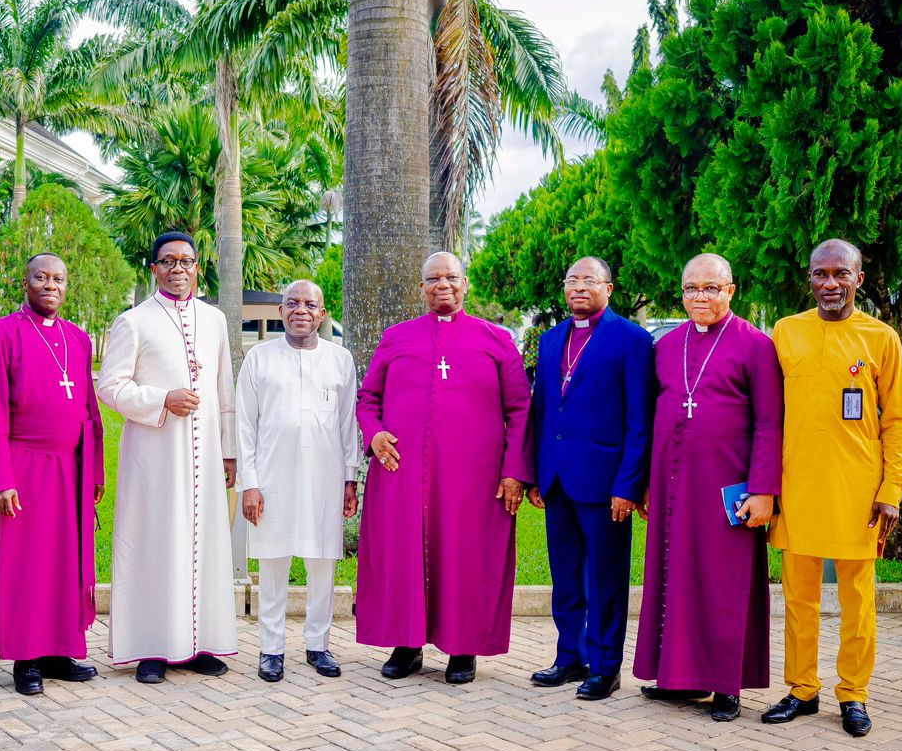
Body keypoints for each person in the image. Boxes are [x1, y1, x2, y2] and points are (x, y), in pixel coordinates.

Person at [357, 252, 531, 685]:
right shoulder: (397, 337)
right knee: (405, 554)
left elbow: (521, 408)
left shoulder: (496, 340)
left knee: (466, 555)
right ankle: (406, 644)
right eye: (433, 279)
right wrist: (374, 435)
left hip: (474, 479)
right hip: (403, 474)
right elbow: (367, 400)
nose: (443, 285)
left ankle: (463, 648)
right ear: (421, 288)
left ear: (465, 284)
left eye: (451, 277)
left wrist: (514, 472)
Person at [763, 239, 902, 737]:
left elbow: (897, 423)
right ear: (809, 279)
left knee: (857, 601)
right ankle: (802, 689)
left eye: (840, 275)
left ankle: (854, 693)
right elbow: (766, 417)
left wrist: (892, 489)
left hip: (858, 493)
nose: (830, 284)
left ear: (858, 280)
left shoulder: (882, 339)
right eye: (820, 274)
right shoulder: (785, 333)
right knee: (799, 599)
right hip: (797, 487)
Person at [632, 254, 782, 722]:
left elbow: (769, 424)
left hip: (727, 489)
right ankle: (680, 677)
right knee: (675, 578)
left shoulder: (756, 346)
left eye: (711, 288)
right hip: (673, 485)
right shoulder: (665, 345)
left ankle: (726, 685)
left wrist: (763, 491)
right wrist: (646, 485)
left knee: (723, 584)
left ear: (731, 291)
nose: (700, 296)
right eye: (692, 288)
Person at [96, 231, 238, 683]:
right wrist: (162, 399)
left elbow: (224, 391)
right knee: (156, 545)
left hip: (206, 454)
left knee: (203, 546)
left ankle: (198, 645)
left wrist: (229, 452)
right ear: (153, 268)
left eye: (186, 261)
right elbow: (110, 386)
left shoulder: (214, 320)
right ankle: (152, 648)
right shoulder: (133, 321)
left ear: (198, 267)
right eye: (169, 261)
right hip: (155, 458)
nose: (178, 269)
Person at [0, 254, 105, 695]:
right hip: (23, 466)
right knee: (26, 565)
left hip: (69, 469)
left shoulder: (77, 338)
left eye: (59, 279)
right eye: (42, 278)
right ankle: (26, 658)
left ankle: (58, 651)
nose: (51, 285)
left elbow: (89, 408)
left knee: (66, 563)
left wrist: (95, 470)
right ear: (24, 283)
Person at [528, 257, 654, 700]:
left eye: (589, 281)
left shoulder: (632, 340)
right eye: (572, 281)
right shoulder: (550, 340)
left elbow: (641, 421)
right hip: (558, 478)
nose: (579, 288)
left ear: (609, 288)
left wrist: (628, 485)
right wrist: (535, 474)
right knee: (564, 574)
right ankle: (569, 656)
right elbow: (542, 410)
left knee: (605, 577)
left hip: (606, 484)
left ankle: (604, 666)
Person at [236, 280, 359, 682]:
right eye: (292, 303)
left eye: (310, 304)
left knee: (322, 562)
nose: (301, 310)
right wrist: (249, 483)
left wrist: (350, 479)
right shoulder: (259, 358)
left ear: (322, 314)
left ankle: (318, 645)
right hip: (272, 478)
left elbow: (347, 425)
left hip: (325, 477)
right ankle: (271, 649)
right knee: (273, 564)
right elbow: (246, 426)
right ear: (280, 311)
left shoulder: (340, 360)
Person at [521, 314, 549, 388]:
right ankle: (537, 391)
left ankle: (530, 390)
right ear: (539, 321)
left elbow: (526, 344)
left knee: (529, 377)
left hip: (530, 358)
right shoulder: (543, 331)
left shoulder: (528, 330)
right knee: (538, 377)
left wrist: (523, 355)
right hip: (540, 358)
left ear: (532, 320)